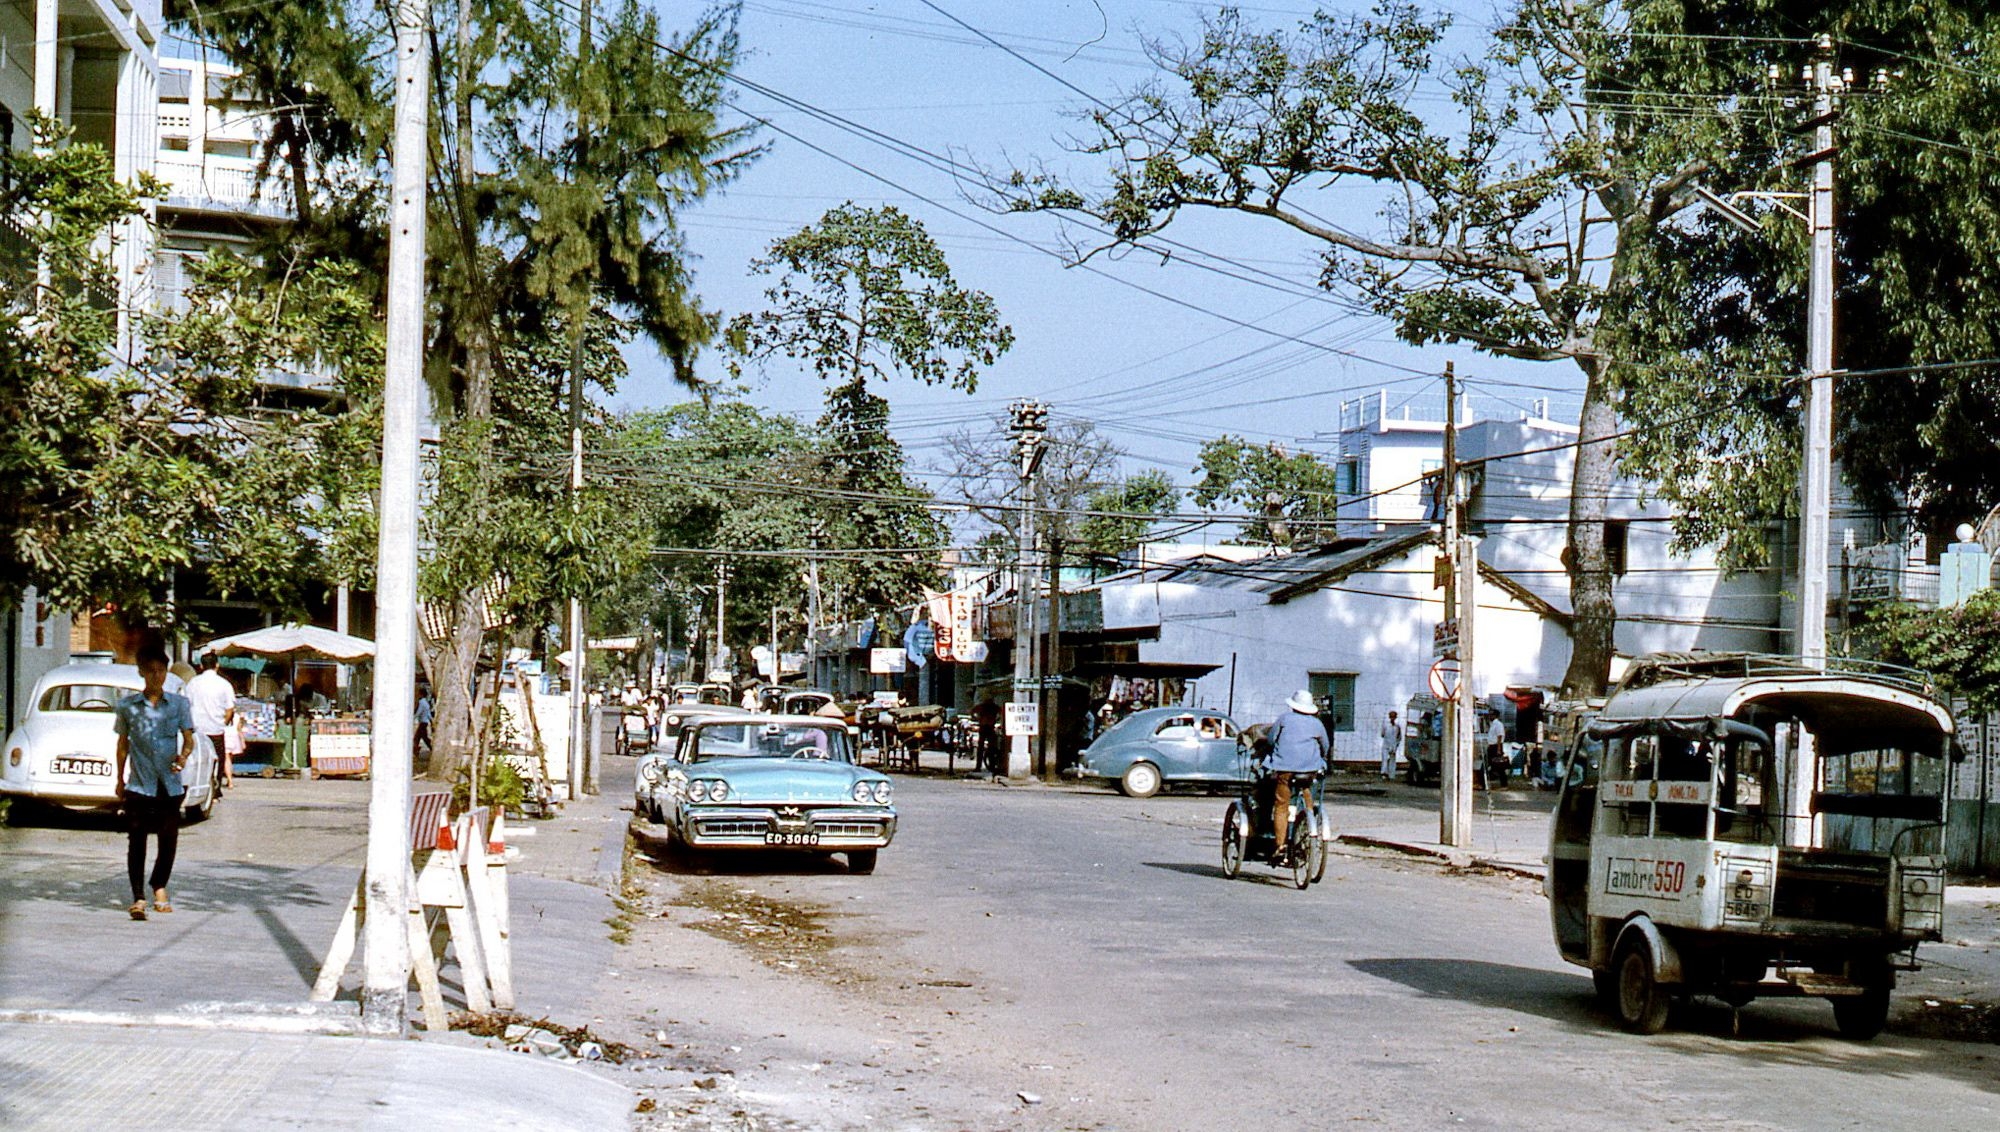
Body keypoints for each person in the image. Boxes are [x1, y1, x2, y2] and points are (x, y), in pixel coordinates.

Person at [114, 645, 195, 921]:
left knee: (168, 839)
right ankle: (138, 897)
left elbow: (189, 739)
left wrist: (182, 757)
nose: (156, 676)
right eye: (151, 671)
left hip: (169, 784)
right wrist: (119, 778)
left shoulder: (179, 704)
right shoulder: (127, 707)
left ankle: (159, 885)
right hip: (138, 783)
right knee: (136, 840)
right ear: (141, 673)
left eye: (161, 670)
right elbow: (122, 744)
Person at [1262, 690, 1330, 860]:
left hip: (1284, 769)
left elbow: (1271, 740)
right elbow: (1325, 746)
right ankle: (1308, 823)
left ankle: (1280, 845)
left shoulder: (1284, 719)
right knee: (1307, 792)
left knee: (1281, 805)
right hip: (1308, 771)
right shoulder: (1317, 724)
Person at [185, 652, 236, 792]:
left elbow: (186, 704)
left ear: (201, 666)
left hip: (196, 729)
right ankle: (215, 791)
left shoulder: (193, 683)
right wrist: (222, 722)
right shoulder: (225, 684)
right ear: (217, 665)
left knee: (198, 760)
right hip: (215, 729)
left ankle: (197, 788)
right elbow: (229, 709)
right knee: (217, 760)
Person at [1379, 710, 1402, 781]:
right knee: (1385, 760)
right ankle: (1383, 774)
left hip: (1393, 746)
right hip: (1386, 745)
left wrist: (1396, 745)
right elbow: (1382, 734)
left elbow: (1399, 737)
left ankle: (1391, 775)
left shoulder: (1397, 726)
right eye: (1391, 717)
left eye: (1394, 717)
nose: (1392, 718)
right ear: (1389, 717)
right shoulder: (1386, 725)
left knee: (1392, 761)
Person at [413, 688, 434, 757]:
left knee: (417, 738)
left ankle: (416, 750)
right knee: (423, 737)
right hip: (425, 722)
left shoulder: (421, 702)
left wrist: (413, 718)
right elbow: (428, 714)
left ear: (421, 694)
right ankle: (417, 750)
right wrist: (431, 721)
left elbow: (419, 712)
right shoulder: (426, 703)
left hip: (422, 722)